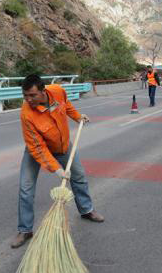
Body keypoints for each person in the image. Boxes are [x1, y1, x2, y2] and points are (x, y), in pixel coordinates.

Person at [10, 74, 104, 249]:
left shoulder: (58, 92)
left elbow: (66, 106)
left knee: (79, 176)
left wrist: (77, 117)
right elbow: (38, 148)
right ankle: (25, 229)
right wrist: (57, 170)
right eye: (25, 96)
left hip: (62, 145)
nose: (28, 100)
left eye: (32, 95)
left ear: (43, 91)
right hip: (36, 149)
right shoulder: (26, 114)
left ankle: (86, 210)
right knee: (26, 187)